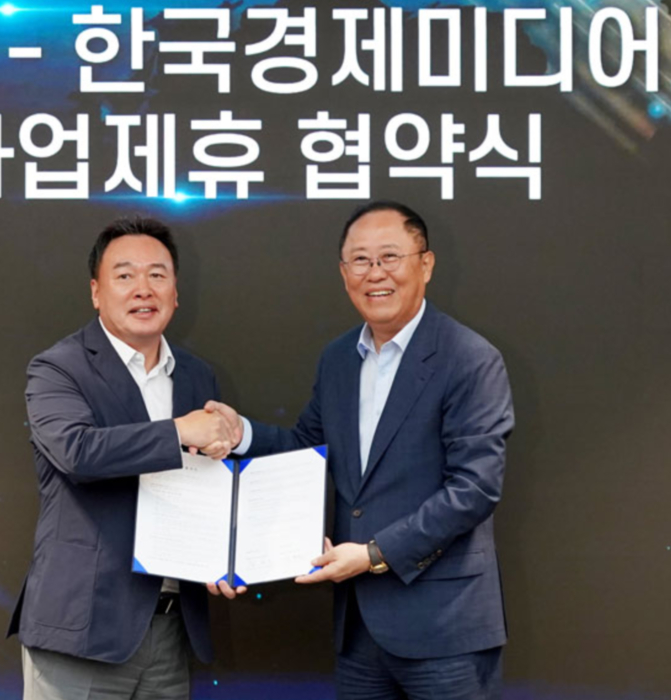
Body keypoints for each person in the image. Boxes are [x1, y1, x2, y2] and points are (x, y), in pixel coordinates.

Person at [212, 200, 513, 700]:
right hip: (358, 632)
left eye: (390, 257)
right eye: (360, 260)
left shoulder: (469, 358)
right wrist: (238, 433)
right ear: (343, 272)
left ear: (426, 264)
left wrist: (374, 555)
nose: (375, 273)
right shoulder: (338, 359)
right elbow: (306, 449)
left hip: (445, 630)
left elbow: (474, 489)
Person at [8, 215, 240, 700]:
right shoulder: (58, 368)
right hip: (82, 632)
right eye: (125, 275)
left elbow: (202, 486)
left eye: (157, 275)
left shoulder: (197, 376)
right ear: (96, 292)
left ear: (176, 292)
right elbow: (78, 452)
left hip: (171, 631)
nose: (143, 289)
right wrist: (180, 431)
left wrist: (229, 555)